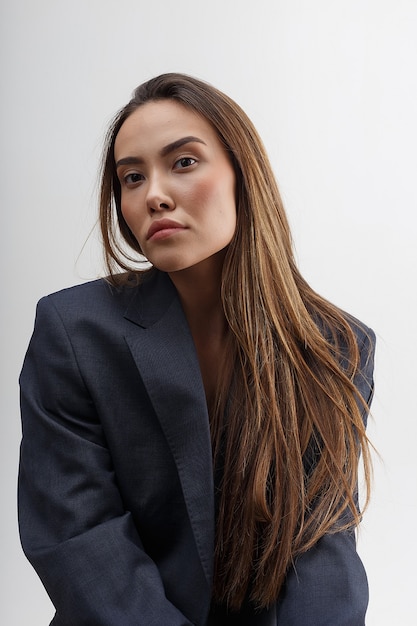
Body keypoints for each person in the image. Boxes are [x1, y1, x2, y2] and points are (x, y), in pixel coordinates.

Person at [18, 73, 376, 626]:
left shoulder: (334, 346)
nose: (154, 194)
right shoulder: (73, 331)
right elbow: (78, 538)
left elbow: (321, 547)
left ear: (242, 174)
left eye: (183, 162)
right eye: (131, 177)